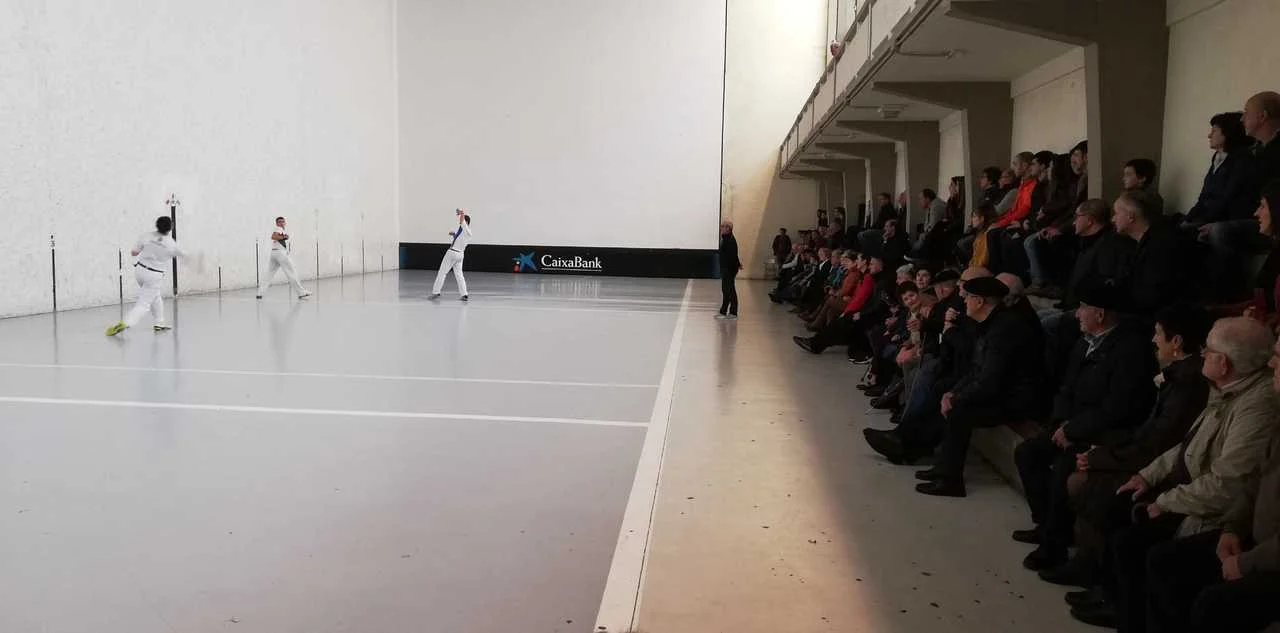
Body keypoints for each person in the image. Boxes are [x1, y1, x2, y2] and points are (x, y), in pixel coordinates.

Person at [1070, 318, 1280, 630]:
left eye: (1207, 350)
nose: (1201, 353)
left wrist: (1167, 501)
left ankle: (1123, 610)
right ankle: (1114, 601)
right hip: (1200, 497)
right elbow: (1190, 444)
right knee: (1117, 509)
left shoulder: (1256, 407)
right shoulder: (1228, 388)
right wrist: (1148, 475)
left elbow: (1230, 483)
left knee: (1140, 544)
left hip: (1210, 509)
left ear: (1224, 364)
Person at [1012, 277, 1158, 571]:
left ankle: (1054, 546)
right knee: (1027, 453)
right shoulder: (1083, 342)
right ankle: (1045, 523)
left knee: (1064, 468)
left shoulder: (1131, 351)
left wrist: (1073, 430)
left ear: (1100, 314)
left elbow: (1118, 408)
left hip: (1105, 434)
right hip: (1071, 425)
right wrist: (1060, 424)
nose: (1077, 314)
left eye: (1082, 307)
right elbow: (1065, 388)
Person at [915, 275, 1045, 497]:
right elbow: (977, 369)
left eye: (968, 297)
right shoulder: (991, 323)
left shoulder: (1004, 329)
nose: (964, 301)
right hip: (1002, 390)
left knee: (959, 412)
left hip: (1017, 398)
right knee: (947, 395)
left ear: (980, 301)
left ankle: (950, 480)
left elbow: (989, 380)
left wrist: (956, 398)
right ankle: (943, 467)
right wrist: (953, 392)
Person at [106, 216, 188, 336]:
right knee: (144, 304)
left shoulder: (146, 236)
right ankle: (126, 322)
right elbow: (184, 256)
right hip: (153, 276)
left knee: (156, 296)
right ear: (171, 227)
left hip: (140, 271)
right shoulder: (171, 244)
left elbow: (134, 252)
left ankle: (159, 323)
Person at [256, 216, 311, 299]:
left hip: (274, 253)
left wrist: (284, 237)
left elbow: (276, 237)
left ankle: (260, 293)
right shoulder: (279, 229)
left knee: (269, 274)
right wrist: (284, 237)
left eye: (282, 221)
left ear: (285, 223)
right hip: (280, 254)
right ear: (277, 223)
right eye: (279, 222)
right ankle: (301, 293)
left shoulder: (280, 230)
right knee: (291, 272)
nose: (281, 223)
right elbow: (273, 236)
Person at [430, 209, 472, 301]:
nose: (460, 221)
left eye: (462, 220)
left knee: (442, 272)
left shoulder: (464, 227)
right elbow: (459, 240)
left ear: (466, 222)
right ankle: (464, 294)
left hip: (452, 253)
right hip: (460, 255)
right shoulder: (468, 233)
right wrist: (454, 235)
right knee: (459, 275)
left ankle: (436, 292)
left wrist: (461, 212)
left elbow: (462, 221)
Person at [718, 220, 742, 320]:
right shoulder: (725, 238)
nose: (721, 228)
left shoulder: (730, 240)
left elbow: (732, 255)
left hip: (729, 269)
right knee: (725, 290)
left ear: (728, 228)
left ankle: (733, 312)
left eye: (723, 226)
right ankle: (723, 311)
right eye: (721, 226)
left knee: (730, 290)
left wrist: (736, 265)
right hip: (726, 268)